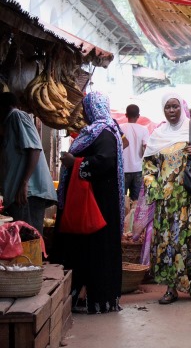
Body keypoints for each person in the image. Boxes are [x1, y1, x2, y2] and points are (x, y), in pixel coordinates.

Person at [143, 93, 191, 304]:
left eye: (175, 106)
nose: (172, 111)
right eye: (167, 107)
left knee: (188, 241)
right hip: (166, 204)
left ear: (181, 107)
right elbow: (148, 167)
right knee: (168, 243)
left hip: (189, 201)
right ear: (163, 110)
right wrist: (156, 188)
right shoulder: (158, 135)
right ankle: (171, 288)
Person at [55, 92, 125, 314]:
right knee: (86, 249)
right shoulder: (102, 130)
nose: (83, 113)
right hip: (93, 201)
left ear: (91, 109)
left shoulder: (102, 132)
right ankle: (83, 296)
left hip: (97, 204)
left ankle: (99, 298)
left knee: (95, 250)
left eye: (85, 108)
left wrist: (74, 162)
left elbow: (105, 161)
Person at [0, 92, 56, 235]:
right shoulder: (8, 124)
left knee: (28, 239)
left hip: (27, 193)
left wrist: (24, 183)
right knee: (24, 242)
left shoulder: (16, 116)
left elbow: (34, 149)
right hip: (20, 193)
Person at [120, 105, 150, 201]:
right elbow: (146, 148)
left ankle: (123, 216)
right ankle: (133, 216)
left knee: (122, 199)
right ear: (138, 115)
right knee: (136, 200)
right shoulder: (144, 130)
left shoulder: (120, 128)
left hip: (123, 169)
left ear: (126, 115)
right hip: (138, 169)